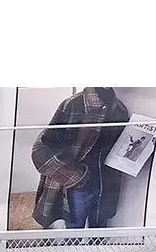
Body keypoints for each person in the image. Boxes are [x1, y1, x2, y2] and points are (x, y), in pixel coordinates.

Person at [31, 87, 129, 230]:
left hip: (107, 183)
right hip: (79, 184)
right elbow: (41, 149)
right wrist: (72, 175)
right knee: (74, 231)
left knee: (100, 229)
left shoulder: (119, 109)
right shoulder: (74, 104)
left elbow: (121, 146)